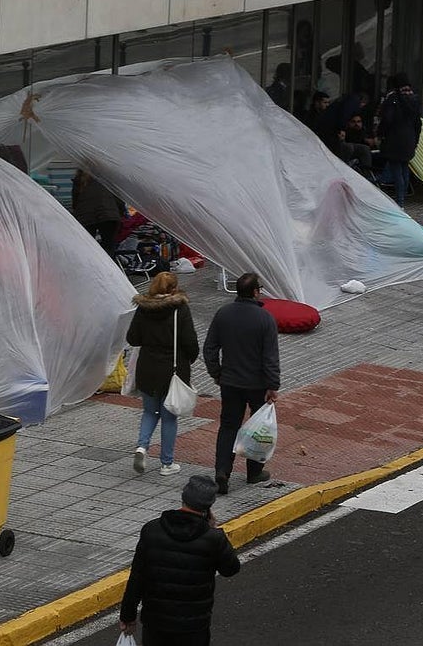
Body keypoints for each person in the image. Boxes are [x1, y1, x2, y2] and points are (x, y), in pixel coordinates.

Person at [118, 475, 240, 645]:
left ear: (184, 498)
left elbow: (137, 577)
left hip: (156, 623)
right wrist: (214, 530)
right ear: (209, 506)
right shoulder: (213, 538)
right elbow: (231, 569)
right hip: (193, 626)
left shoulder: (151, 530)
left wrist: (127, 616)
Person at [203, 273, 280, 495]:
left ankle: (222, 471)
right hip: (257, 385)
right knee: (258, 427)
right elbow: (270, 357)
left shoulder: (223, 314)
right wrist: (273, 385)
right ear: (255, 292)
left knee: (228, 426)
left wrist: (216, 373)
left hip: (230, 382)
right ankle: (254, 472)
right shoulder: (265, 319)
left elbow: (209, 348)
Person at [126, 272, 199, 477]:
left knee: (150, 412)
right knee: (169, 417)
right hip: (172, 370)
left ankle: (142, 447)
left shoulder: (143, 308)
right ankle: (167, 464)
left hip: (147, 369)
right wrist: (189, 359)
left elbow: (132, 338)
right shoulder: (179, 309)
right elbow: (190, 341)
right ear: (173, 288)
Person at [376, 73, 422, 209]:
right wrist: (415, 140)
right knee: (404, 168)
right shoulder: (413, 99)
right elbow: (418, 123)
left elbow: (387, 120)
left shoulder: (393, 99)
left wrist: (380, 133)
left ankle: (399, 202)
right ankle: (402, 201)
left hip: (394, 138)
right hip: (409, 139)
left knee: (396, 170)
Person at [71, 169, 123, 255]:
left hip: (85, 216)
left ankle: (91, 265)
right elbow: (118, 197)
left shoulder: (80, 178)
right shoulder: (109, 177)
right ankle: (108, 266)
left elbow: (75, 200)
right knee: (108, 244)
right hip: (109, 215)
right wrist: (121, 212)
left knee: (87, 245)